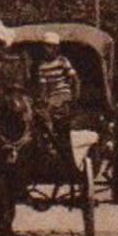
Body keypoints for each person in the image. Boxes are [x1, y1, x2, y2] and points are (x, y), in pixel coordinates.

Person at [34, 30, 81, 161]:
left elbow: (74, 79)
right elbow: (43, 87)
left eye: (50, 46)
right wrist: (41, 100)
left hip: (63, 94)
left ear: (56, 47)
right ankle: (44, 142)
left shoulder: (63, 61)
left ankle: (50, 144)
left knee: (47, 110)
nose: (47, 49)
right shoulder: (42, 66)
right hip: (51, 97)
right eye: (45, 46)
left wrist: (75, 98)